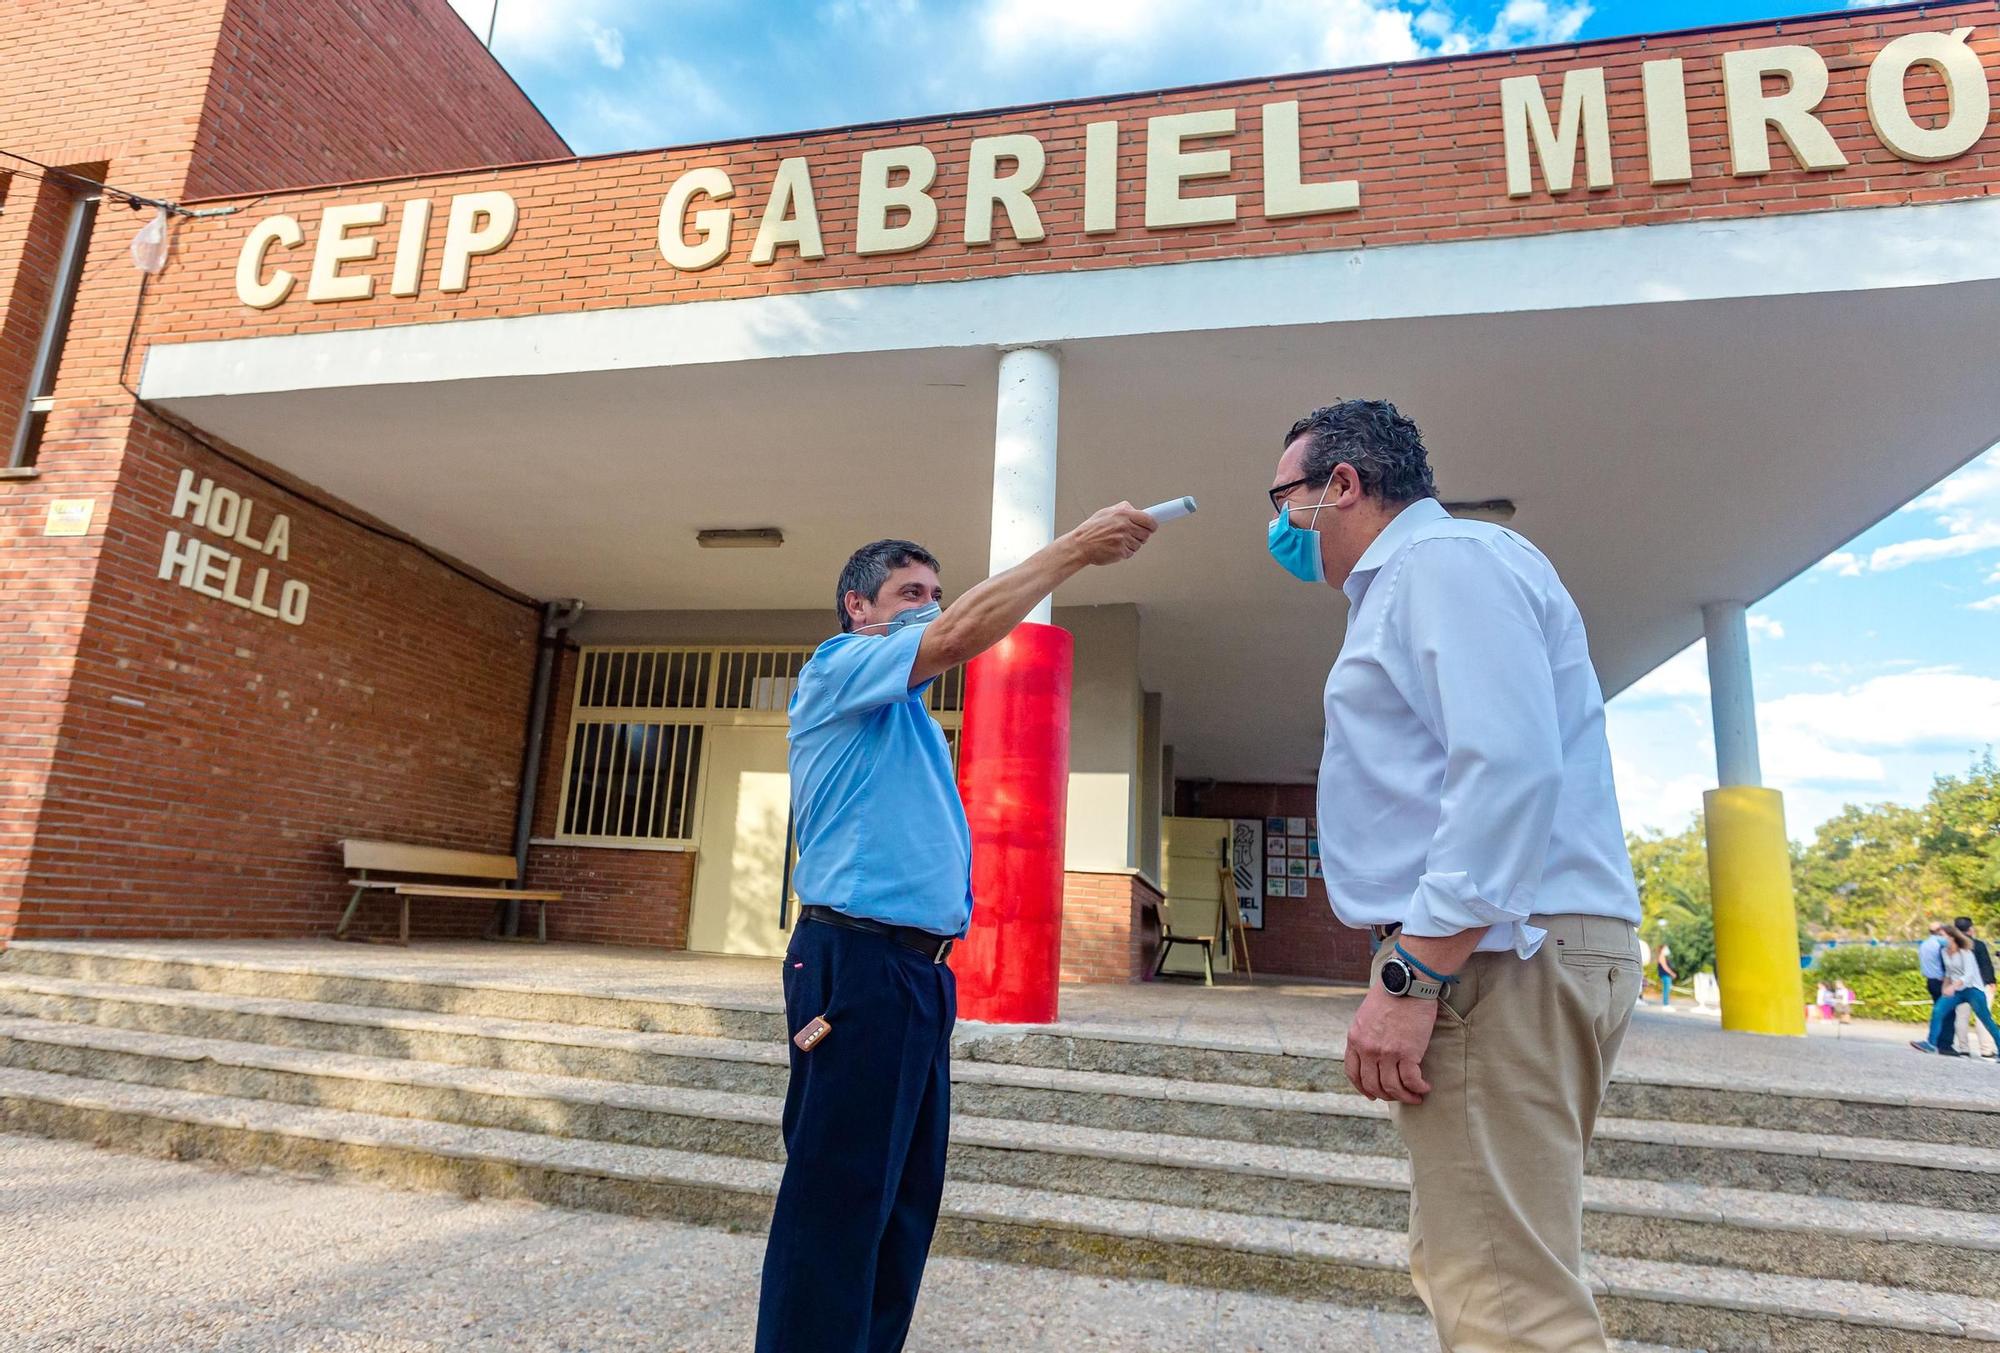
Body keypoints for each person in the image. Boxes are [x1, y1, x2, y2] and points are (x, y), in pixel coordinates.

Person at [1272, 399, 1642, 1352]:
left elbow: (1507, 766)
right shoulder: (1448, 572)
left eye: (1284, 500)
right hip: (1513, 948)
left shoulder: (1440, 565)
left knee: (1508, 1306)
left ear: (1342, 486)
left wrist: (1415, 968)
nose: (1277, 528)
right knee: (1477, 1264)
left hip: (1494, 959)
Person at [754, 506, 1156, 1353]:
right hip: (855, 963)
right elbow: (966, 631)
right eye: (910, 593)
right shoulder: (838, 669)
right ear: (857, 608)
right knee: (838, 1201)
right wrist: (1076, 549)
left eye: (936, 592)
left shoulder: (906, 720)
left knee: (901, 1205)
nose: (931, 607)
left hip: (918, 978)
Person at [1912, 924, 2000, 1062]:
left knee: (1986, 1020)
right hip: (1956, 989)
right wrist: (1945, 987)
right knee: (1938, 1010)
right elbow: (1948, 972)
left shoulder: (1966, 952)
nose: (1939, 939)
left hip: (1972, 989)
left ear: (1952, 937)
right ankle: (1931, 1043)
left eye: (1942, 936)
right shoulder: (1944, 952)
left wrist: (1953, 986)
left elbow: (1969, 975)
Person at [1919, 922, 1959, 1055]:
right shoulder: (1941, 943)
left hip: (1930, 981)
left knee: (1939, 1011)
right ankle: (1944, 1044)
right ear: (1940, 930)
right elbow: (1946, 962)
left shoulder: (1924, 944)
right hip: (1942, 981)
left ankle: (1934, 1041)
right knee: (1949, 1013)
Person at [1657, 939, 1678, 1008]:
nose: (1667, 950)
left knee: (1667, 989)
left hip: (1666, 975)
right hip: (1665, 975)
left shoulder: (1664, 957)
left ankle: (1666, 1003)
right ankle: (1665, 1004)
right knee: (1667, 989)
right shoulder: (1661, 956)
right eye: (1666, 948)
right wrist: (1672, 973)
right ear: (1663, 949)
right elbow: (1665, 967)